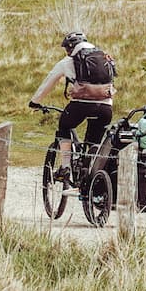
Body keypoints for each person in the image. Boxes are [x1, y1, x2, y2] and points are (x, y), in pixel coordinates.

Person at [28, 31, 115, 184]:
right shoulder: (103, 57)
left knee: (64, 125)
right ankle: (91, 171)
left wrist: (35, 101)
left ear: (70, 48)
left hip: (81, 105)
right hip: (106, 106)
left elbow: (49, 82)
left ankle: (66, 166)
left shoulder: (68, 61)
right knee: (93, 140)